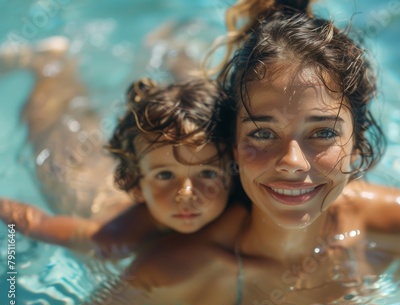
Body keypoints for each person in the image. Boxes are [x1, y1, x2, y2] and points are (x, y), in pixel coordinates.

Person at [60, 1, 400, 305]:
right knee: (70, 140)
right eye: (261, 133)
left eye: (324, 133)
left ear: (358, 144)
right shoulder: (171, 270)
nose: (292, 163)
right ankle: (48, 68)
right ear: (232, 148)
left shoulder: (398, 225)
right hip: (122, 206)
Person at [0, 77, 235, 259]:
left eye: (208, 173)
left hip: (98, 164)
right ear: (137, 184)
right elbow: (36, 225)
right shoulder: (115, 236)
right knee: (45, 119)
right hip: (67, 174)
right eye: (165, 175)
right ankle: (47, 64)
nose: (186, 194)